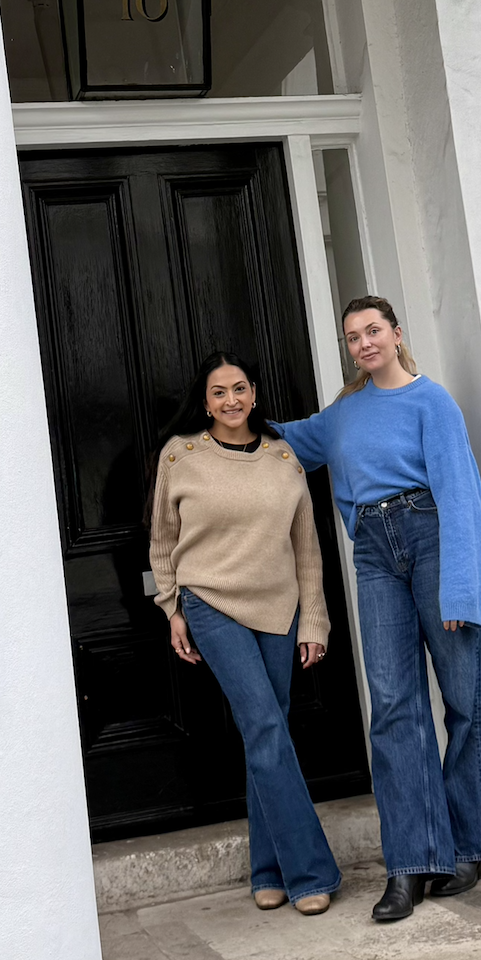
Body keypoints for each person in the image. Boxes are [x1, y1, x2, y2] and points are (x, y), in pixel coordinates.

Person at [274, 297, 481, 922]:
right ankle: (412, 864)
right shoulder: (344, 414)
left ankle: (470, 844)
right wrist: (224, 418)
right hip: (374, 553)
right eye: (352, 336)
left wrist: (461, 590)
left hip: (432, 538)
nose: (363, 342)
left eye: (373, 330)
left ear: (397, 335)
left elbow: (460, 496)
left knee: (462, 699)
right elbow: (284, 443)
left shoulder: (433, 402)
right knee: (394, 705)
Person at [148, 351, 341, 915]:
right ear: (204, 401)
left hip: (278, 610)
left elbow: (307, 550)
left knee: (269, 735)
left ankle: (267, 869)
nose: (230, 400)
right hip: (210, 602)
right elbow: (162, 541)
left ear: (254, 394)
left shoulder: (285, 459)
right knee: (263, 726)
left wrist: (314, 620)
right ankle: (311, 872)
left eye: (238, 389)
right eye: (217, 392)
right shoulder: (180, 456)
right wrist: (172, 607)